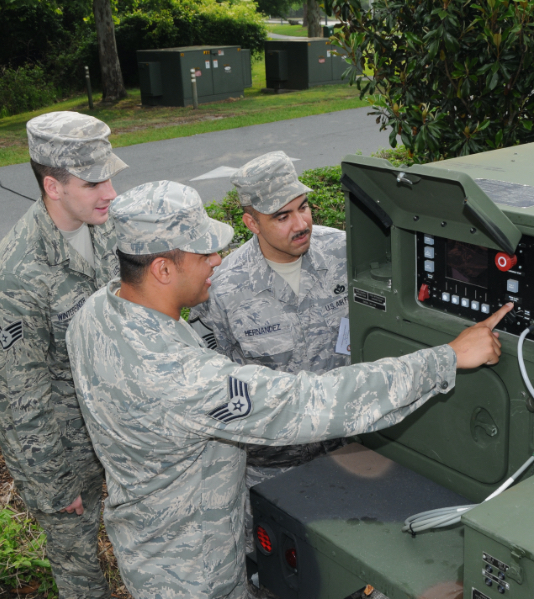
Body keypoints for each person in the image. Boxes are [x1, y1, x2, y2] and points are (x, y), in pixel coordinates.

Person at [66, 179, 510, 599]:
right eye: (204, 254)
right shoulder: (176, 377)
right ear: (162, 268)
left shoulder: (98, 311)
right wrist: (447, 358)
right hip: (192, 573)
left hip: (150, 544)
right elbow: (307, 403)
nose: (218, 261)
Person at [189, 150, 349, 554]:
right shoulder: (222, 288)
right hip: (270, 468)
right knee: (276, 571)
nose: (302, 223)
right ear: (251, 222)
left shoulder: (344, 254)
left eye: (304, 207)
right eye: (282, 216)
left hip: (347, 453)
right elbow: (218, 379)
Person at [0, 111, 128, 599]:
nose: (110, 192)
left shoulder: (111, 229)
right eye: (94, 181)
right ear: (53, 187)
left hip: (119, 429)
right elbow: (20, 399)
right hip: (65, 449)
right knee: (79, 568)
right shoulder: (19, 271)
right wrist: (55, 488)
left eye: (109, 176)